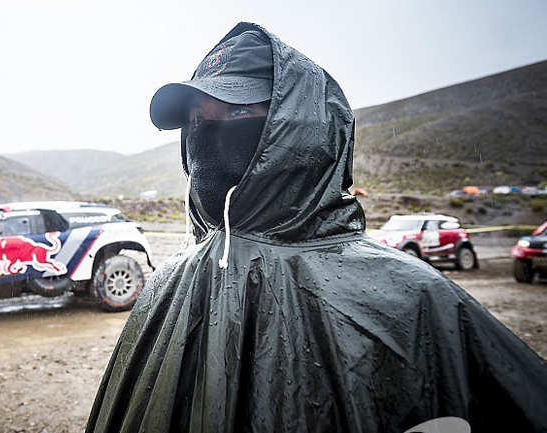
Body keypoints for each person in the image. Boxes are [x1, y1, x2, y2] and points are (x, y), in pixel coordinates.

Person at [86, 22, 547, 432]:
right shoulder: (167, 283)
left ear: (300, 130)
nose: (206, 135)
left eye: (239, 111)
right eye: (196, 120)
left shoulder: (416, 300)